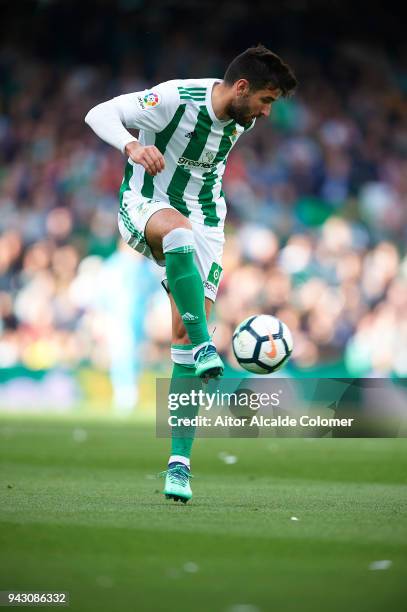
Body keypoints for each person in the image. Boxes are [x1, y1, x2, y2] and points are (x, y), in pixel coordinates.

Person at [85, 44, 297, 503]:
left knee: (181, 339)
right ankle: (207, 343)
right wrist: (133, 145)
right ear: (241, 87)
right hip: (145, 205)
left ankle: (178, 465)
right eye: (265, 100)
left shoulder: (240, 117)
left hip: (206, 220)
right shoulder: (173, 99)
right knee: (178, 238)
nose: (265, 113)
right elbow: (98, 113)